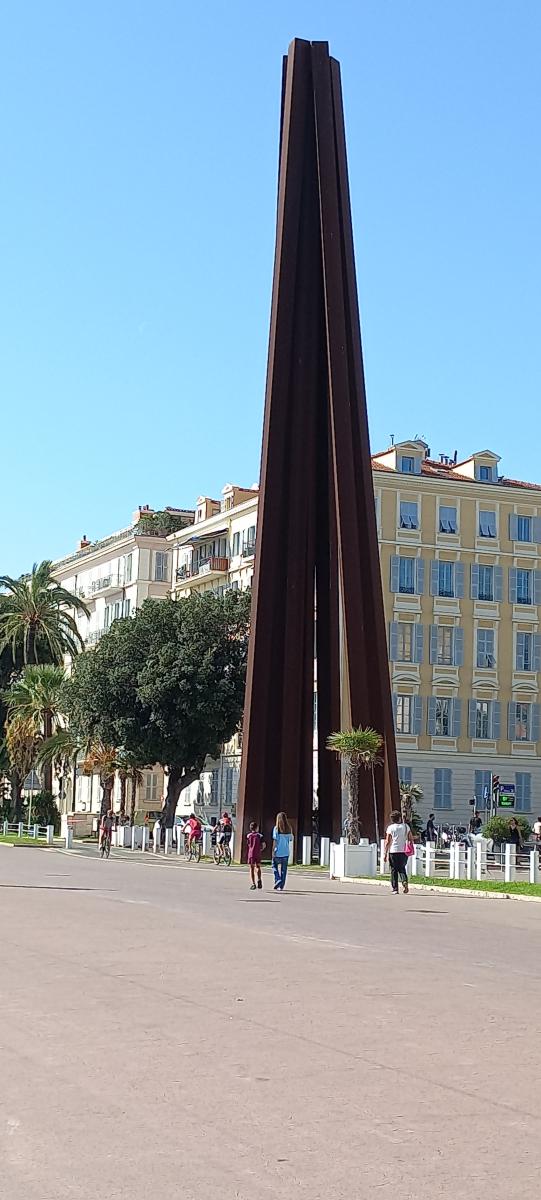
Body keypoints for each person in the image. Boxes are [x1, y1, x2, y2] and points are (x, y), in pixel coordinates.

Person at [383, 809, 412, 895]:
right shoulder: (406, 826)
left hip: (393, 851)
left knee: (394, 870)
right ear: (399, 818)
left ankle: (395, 888)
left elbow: (387, 841)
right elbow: (410, 838)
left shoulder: (390, 828)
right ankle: (404, 881)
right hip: (403, 851)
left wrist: (385, 853)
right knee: (402, 868)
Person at [272, 812, 292, 891]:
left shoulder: (276, 829)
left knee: (274, 866)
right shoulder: (289, 829)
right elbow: (291, 839)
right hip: (286, 852)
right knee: (284, 870)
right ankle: (281, 886)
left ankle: (278, 879)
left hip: (278, 851)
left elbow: (275, 841)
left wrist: (273, 851)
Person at [247, 822, 266, 889]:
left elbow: (248, 844)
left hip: (251, 853)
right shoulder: (260, 836)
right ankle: (259, 879)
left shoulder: (249, 836)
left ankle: (253, 883)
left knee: (252, 868)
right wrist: (261, 849)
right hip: (257, 853)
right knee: (258, 867)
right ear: (257, 828)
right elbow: (264, 845)